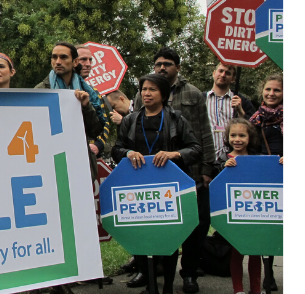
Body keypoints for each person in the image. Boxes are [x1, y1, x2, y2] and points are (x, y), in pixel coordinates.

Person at [133, 47, 215, 293]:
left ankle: (189, 273)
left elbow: (203, 132)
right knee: (150, 223)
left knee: (191, 225)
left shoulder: (192, 94)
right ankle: (147, 271)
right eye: (158, 63)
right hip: (150, 173)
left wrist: (207, 167)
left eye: (167, 63)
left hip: (186, 172)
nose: (162, 67)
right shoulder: (142, 94)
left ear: (177, 67)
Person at [112, 74, 203, 294]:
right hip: (140, 188)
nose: (146, 93)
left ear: (163, 94)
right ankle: (151, 284)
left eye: (152, 89)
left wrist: (175, 154)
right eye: (144, 89)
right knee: (144, 236)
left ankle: (168, 288)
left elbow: (196, 149)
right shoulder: (130, 120)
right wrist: (128, 152)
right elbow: (116, 149)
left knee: (168, 239)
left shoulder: (177, 119)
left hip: (169, 188)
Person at [35, 41, 107, 180]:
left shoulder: (88, 92)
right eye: (54, 57)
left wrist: (86, 107)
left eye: (63, 57)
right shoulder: (41, 90)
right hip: (52, 162)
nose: (58, 61)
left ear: (74, 62)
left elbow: (95, 130)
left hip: (80, 161)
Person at [217, 118, 269, 294]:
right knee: (236, 252)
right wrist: (224, 168)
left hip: (254, 213)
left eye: (242, 135)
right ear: (227, 137)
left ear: (250, 138)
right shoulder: (223, 158)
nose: (237, 139)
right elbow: (216, 183)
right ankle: (238, 290)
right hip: (234, 213)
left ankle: (256, 290)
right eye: (233, 135)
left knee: (255, 252)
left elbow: (269, 175)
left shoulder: (258, 159)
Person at [248, 73, 283, 292]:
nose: (271, 94)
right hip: (262, 176)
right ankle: (268, 272)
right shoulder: (255, 119)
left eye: (277, 90)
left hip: (285, 175)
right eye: (268, 89)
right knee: (266, 224)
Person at [204, 63, 256, 160]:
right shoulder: (201, 99)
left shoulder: (242, 101)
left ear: (233, 79)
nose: (223, 75)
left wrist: (241, 112)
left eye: (227, 73)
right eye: (220, 71)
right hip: (207, 158)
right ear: (214, 73)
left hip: (233, 159)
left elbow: (253, 130)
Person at [75, 44, 112, 160]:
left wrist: (98, 145)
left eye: (90, 60)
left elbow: (105, 122)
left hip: (91, 155)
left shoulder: (94, 92)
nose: (88, 64)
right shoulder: (58, 88)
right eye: (83, 60)